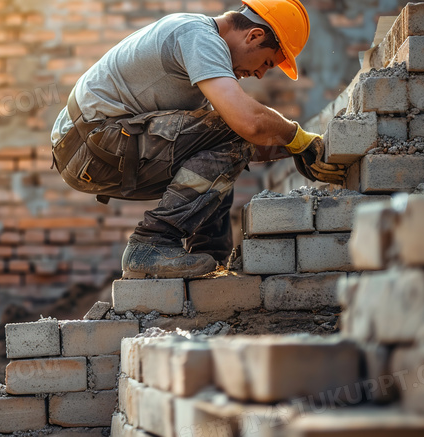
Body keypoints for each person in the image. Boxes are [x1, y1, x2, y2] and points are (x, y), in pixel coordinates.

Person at [50, 0, 345, 279]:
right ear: (254, 35)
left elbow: (227, 142)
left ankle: (209, 259)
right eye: (267, 62)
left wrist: (294, 150)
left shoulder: (201, 56)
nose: (259, 74)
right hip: (90, 146)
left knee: (222, 148)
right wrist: (297, 137)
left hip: (94, 148)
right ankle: (152, 243)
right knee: (233, 133)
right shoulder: (197, 36)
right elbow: (248, 124)